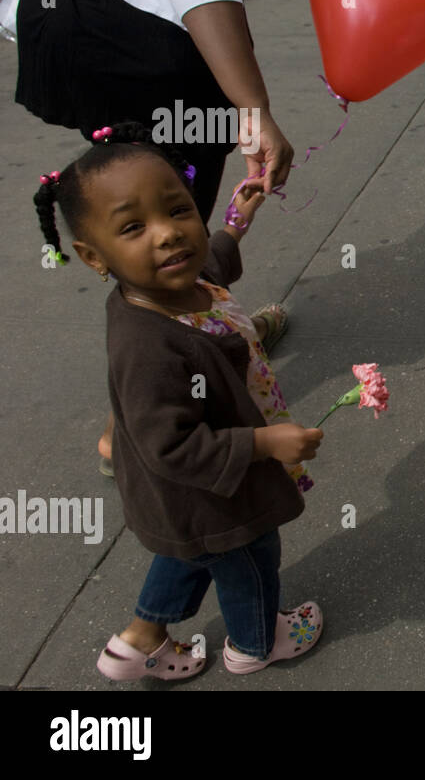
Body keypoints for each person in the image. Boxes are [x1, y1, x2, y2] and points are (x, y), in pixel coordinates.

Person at [1, 0, 297, 474]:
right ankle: (145, 416)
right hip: (147, 32)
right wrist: (253, 111)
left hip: (60, 20)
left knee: (136, 221)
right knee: (171, 228)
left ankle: (214, 341)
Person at [33, 123, 324, 681]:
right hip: (216, 491)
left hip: (184, 501)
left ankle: (139, 640)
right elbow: (172, 445)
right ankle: (257, 642)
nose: (169, 235)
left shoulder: (178, 285)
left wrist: (237, 220)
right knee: (249, 558)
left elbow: (210, 262)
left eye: (179, 210)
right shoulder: (149, 343)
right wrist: (265, 441)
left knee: (189, 552)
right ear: (94, 257)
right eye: (134, 227)